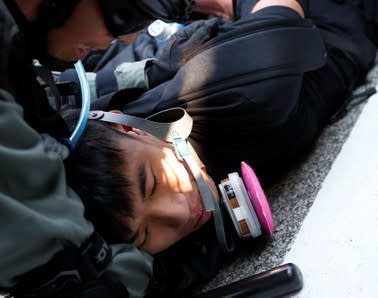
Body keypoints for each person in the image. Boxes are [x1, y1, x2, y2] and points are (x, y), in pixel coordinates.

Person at [58, 0, 377, 296]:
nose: (180, 212)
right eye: (143, 235)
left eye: (153, 182)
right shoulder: (134, 258)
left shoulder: (246, 91)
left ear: (130, 129)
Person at [0, 0, 241, 297]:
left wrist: (147, 73)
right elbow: (86, 280)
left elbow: (54, 88)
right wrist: (172, 265)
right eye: (128, 9)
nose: (131, 37)